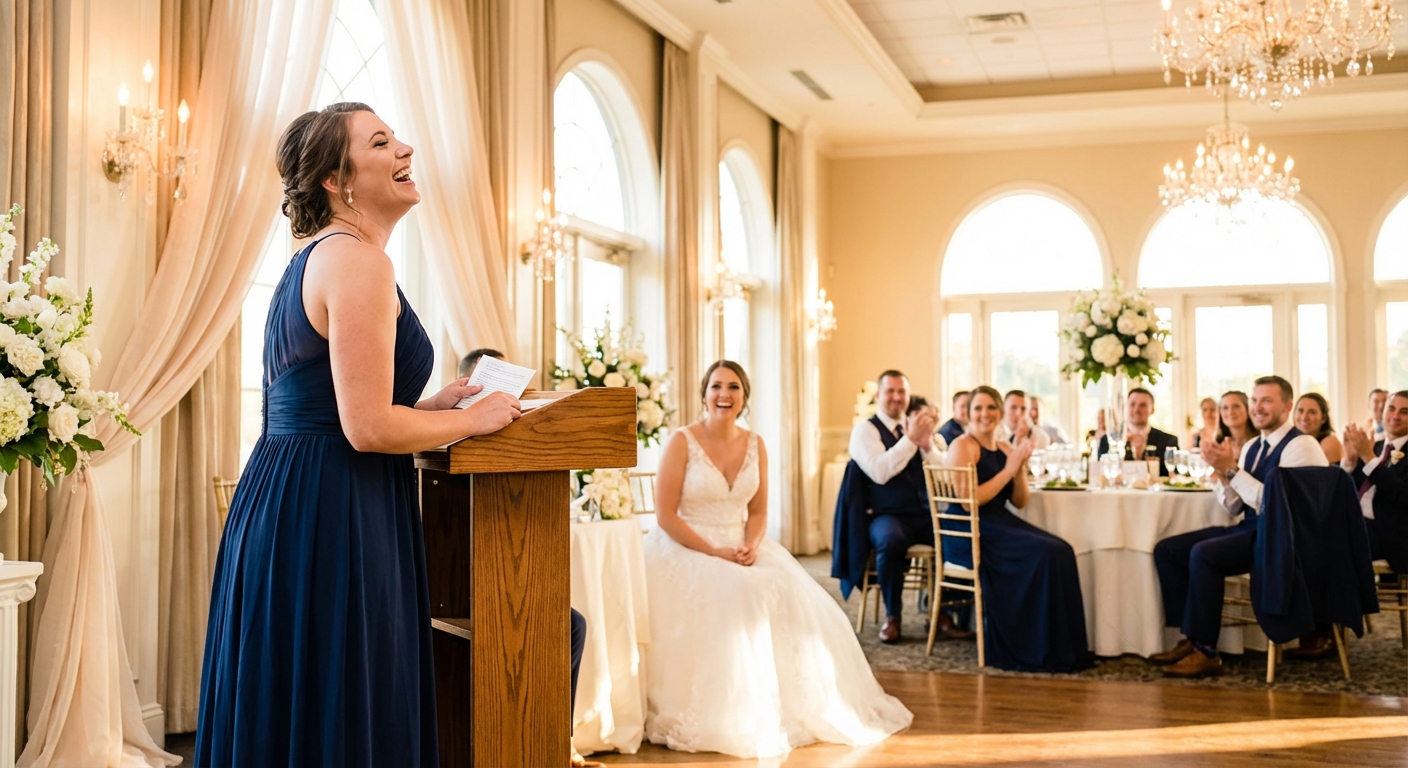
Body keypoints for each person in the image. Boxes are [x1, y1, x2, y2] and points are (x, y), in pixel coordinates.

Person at [197, 103, 523, 767]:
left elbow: (332, 401)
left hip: (295, 497)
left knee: (306, 697)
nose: (406, 149)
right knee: (343, 693)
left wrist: (433, 407)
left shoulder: (314, 259)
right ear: (336, 180)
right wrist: (474, 420)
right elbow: (367, 426)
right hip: (331, 508)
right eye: (381, 142)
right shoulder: (359, 263)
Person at [641, 361, 913, 758]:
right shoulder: (681, 441)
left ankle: (785, 703)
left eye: (734, 387)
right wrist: (715, 552)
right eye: (716, 386)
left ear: (744, 396)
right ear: (703, 393)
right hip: (687, 544)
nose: (724, 395)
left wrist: (750, 544)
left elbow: (757, 513)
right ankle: (731, 709)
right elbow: (665, 516)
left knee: (783, 587)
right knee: (742, 591)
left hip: (740, 543)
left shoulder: (756, 444)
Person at [1149, 376, 1328, 677]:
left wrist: (1231, 469)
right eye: (1255, 401)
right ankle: (1191, 638)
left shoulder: (1302, 446)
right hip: (1252, 529)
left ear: (1287, 406)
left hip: (1285, 538)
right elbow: (1235, 507)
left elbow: (1278, 507)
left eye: (1267, 401)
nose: (1258, 408)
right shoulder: (1253, 447)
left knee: (1204, 554)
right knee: (1169, 550)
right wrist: (1220, 475)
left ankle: (1205, 651)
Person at [943, 386, 1092, 672]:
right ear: (969, 413)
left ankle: (1063, 647)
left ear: (999, 412)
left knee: (1062, 550)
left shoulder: (1003, 447)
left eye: (990, 408)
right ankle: (1031, 647)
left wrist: (1019, 467)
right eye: (978, 408)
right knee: (1043, 553)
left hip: (999, 522)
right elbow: (966, 503)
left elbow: (1020, 501)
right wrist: (1008, 470)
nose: (985, 414)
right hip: (968, 530)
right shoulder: (963, 445)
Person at [846, 370, 970, 642]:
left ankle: (941, 614)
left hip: (924, 513)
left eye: (901, 392)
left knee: (955, 534)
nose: (896, 397)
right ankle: (894, 616)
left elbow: (945, 477)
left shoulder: (914, 427)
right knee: (890, 540)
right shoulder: (865, 431)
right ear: (878, 395)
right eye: (890, 391)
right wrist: (910, 439)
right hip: (885, 515)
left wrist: (927, 446)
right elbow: (879, 472)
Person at [1343, 390, 1408, 576]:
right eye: (1391, 409)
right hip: (1361, 526)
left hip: (1393, 534)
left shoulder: (1370, 451)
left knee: (1334, 544)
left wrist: (1368, 457)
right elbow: (1353, 491)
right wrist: (1349, 462)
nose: (1395, 416)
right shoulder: (1377, 447)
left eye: (1404, 412)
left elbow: (1402, 495)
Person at [1098, 388, 1179, 477]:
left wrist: (1141, 452)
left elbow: (1173, 475)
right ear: (1125, 408)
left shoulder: (1169, 441)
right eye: (1132, 404)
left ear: (1152, 409)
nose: (1136, 409)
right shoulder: (1107, 440)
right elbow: (1100, 473)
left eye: (1143, 405)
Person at [1294, 393, 1343, 465]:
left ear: (1323, 418)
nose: (1304, 417)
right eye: (1300, 411)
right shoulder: (1292, 440)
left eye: (1312, 412)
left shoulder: (1330, 442)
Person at [1217, 390, 1257, 457]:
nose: (1230, 412)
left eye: (1236, 406)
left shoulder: (1261, 443)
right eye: (1225, 408)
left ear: (1248, 409)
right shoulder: (1218, 445)